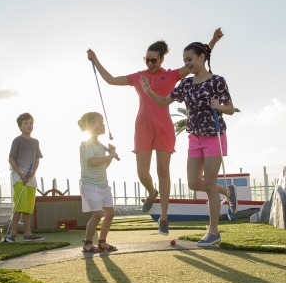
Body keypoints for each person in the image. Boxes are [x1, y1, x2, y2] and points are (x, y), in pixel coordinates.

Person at [86, 28, 223, 237]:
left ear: (161, 60)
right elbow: (111, 80)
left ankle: (164, 218)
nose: (150, 64)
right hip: (142, 127)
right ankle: (152, 192)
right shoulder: (137, 77)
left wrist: (213, 41)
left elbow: (195, 59)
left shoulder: (171, 76)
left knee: (163, 172)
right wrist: (95, 60)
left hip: (164, 127)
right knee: (142, 173)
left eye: (154, 61)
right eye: (147, 60)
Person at [140, 42, 234, 248]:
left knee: (208, 184)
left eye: (190, 59)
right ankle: (227, 191)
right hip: (194, 138)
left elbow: (231, 108)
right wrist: (148, 92)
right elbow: (165, 102)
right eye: (184, 61)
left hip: (214, 137)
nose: (187, 64)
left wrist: (220, 107)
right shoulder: (187, 84)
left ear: (202, 57)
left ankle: (213, 232)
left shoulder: (217, 81)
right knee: (193, 183)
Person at [78, 112, 119, 252]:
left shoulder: (101, 145)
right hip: (91, 185)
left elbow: (103, 166)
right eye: (100, 122)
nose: (103, 125)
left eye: (103, 122)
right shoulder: (86, 144)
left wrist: (110, 156)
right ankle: (88, 243)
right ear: (90, 126)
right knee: (96, 215)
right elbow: (93, 162)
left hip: (103, 184)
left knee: (110, 213)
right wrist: (111, 155)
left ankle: (102, 242)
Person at [5, 113, 46, 242]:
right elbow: (11, 160)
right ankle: (12, 234)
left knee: (28, 207)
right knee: (19, 206)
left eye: (31, 123)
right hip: (19, 177)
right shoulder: (17, 140)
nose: (29, 126)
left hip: (31, 178)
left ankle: (28, 234)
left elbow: (37, 159)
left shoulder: (35, 142)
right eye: (26, 123)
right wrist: (21, 173)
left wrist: (33, 171)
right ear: (20, 126)